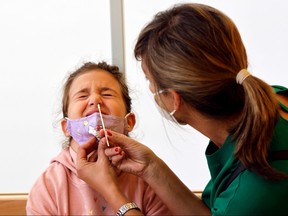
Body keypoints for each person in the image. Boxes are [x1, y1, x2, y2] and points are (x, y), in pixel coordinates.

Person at [75, 3, 288, 216]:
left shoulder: (248, 199)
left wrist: (112, 192)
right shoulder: (274, 99)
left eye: (150, 80)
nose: (95, 101)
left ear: (175, 99)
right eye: (82, 95)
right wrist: (151, 166)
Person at [26, 61, 171, 215]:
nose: (95, 100)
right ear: (66, 127)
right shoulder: (48, 187)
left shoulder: (148, 180)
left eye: (107, 94)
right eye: (82, 95)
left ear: (129, 122)